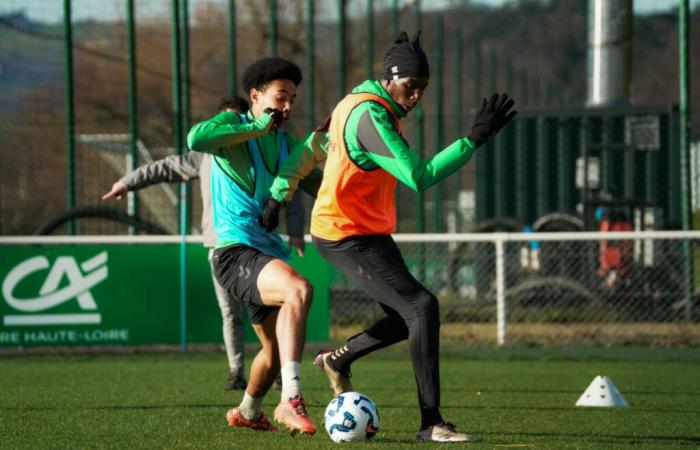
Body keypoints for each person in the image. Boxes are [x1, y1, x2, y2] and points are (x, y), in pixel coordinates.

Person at [262, 31, 516, 442]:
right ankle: (430, 422)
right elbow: (419, 176)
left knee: (406, 318)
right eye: (410, 86)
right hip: (343, 234)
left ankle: (336, 361)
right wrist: (474, 139)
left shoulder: (356, 103)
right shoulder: (370, 116)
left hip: (366, 231)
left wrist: (280, 193)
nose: (416, 96)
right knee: (422, 306)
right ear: (390, 78)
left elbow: (312, 144)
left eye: (422, 88)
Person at [102, 96, 305, 392]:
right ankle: (237, 371)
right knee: (230, 313)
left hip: (261, 246)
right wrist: (127, 182)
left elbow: (293, 186)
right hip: (224, 249)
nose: (227, 128)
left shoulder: (266, 147)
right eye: (221, 123)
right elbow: (165, 167)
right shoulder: (206, 154)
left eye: (233, 122)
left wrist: (297, 230)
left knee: (270, 310)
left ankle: (272, 369)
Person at [187, 57, 321, 434]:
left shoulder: (287, 144)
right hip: (234, 252)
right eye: (280, 97)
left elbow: (318, 184)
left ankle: (247, 411)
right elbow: (196, 139)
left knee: (275, 352)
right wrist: (259, 126)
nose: (288, 107)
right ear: (255, 96)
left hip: (266, 253)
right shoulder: (234, 126)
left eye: (293, 99)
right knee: (299, 289)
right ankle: (290, 400)